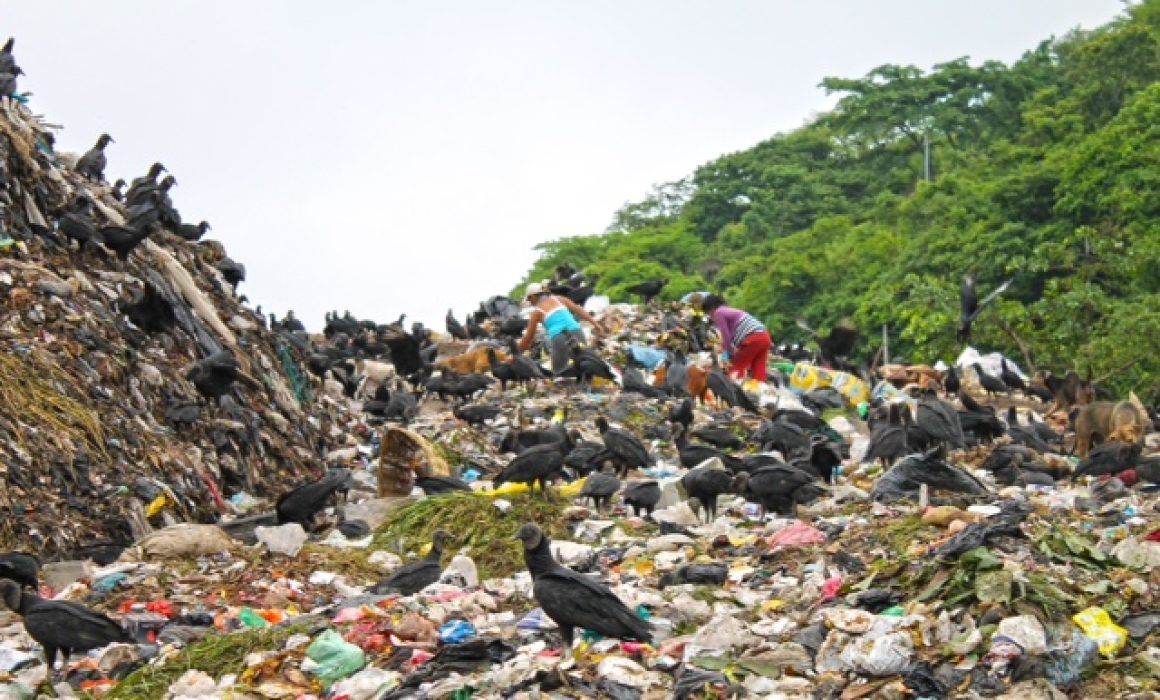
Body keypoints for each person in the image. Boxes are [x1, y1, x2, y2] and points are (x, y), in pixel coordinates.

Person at [518, 282, 606, 375]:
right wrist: (596, 325)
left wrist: (517, 354)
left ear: (533, 296)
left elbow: (528, 337)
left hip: (559, 338)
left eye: (529, 299)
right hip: (577, 332)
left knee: (559, 373)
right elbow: (578, 310)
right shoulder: (559, 299)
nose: (530, 302)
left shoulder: (537, 312)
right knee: (586, 360)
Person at [700, 294, 772, 383]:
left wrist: (729, 354)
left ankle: (734, 389)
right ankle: (760, 388)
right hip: (764, 336)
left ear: (711, 308)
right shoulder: (728, 310)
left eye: (708, 313)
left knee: (735, 368)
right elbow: (730, 337)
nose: (710, 317)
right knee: (758, 369)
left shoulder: (719, 313)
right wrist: (728, 349)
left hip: (753, 338)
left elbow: (726, 336)